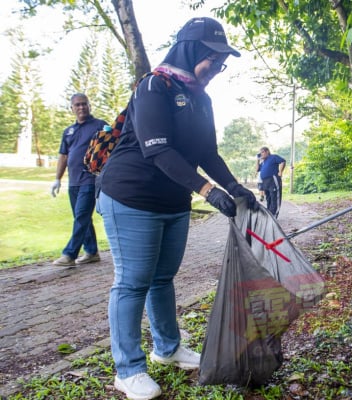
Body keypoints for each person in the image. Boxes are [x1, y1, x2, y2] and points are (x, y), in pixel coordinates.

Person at [96, 17, 258, 400]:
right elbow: (157, 149)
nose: (216, 70)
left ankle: (167, 349)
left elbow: (207, 153)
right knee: (133, 280)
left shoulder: (201, 97)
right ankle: (128, 369)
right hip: (131, 196)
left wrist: (234, 187)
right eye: (212, 60)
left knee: (162, 278)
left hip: (173, 201)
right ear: (192, 51)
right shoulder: (154, 86)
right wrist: (207, 190)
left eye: (222, 64)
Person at [50, 94, 107, 266]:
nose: (81, 107)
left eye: (84, 104)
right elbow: (63, 156)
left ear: (89, 105)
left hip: (90, 179)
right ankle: (91, 252)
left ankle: (69, 254)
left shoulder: (100, 125)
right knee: (81, 217)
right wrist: (57, 179)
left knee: (81, 216)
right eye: (77, 105)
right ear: (72, 108)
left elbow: (112, 147)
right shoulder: (68, 131)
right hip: (73, 182)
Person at [257, 146, 286, 218]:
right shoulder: (263, 162)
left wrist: (280, 172)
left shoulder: (273, 157)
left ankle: (274, 215)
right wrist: (257, 160)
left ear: (267, 152)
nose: (261, 154)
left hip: (273, 180)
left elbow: (283, 161)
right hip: (265, 181)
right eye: (260, 153)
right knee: (268, 198)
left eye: (262, 152)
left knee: (274, 197)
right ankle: (269, 214)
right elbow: (257, 169)